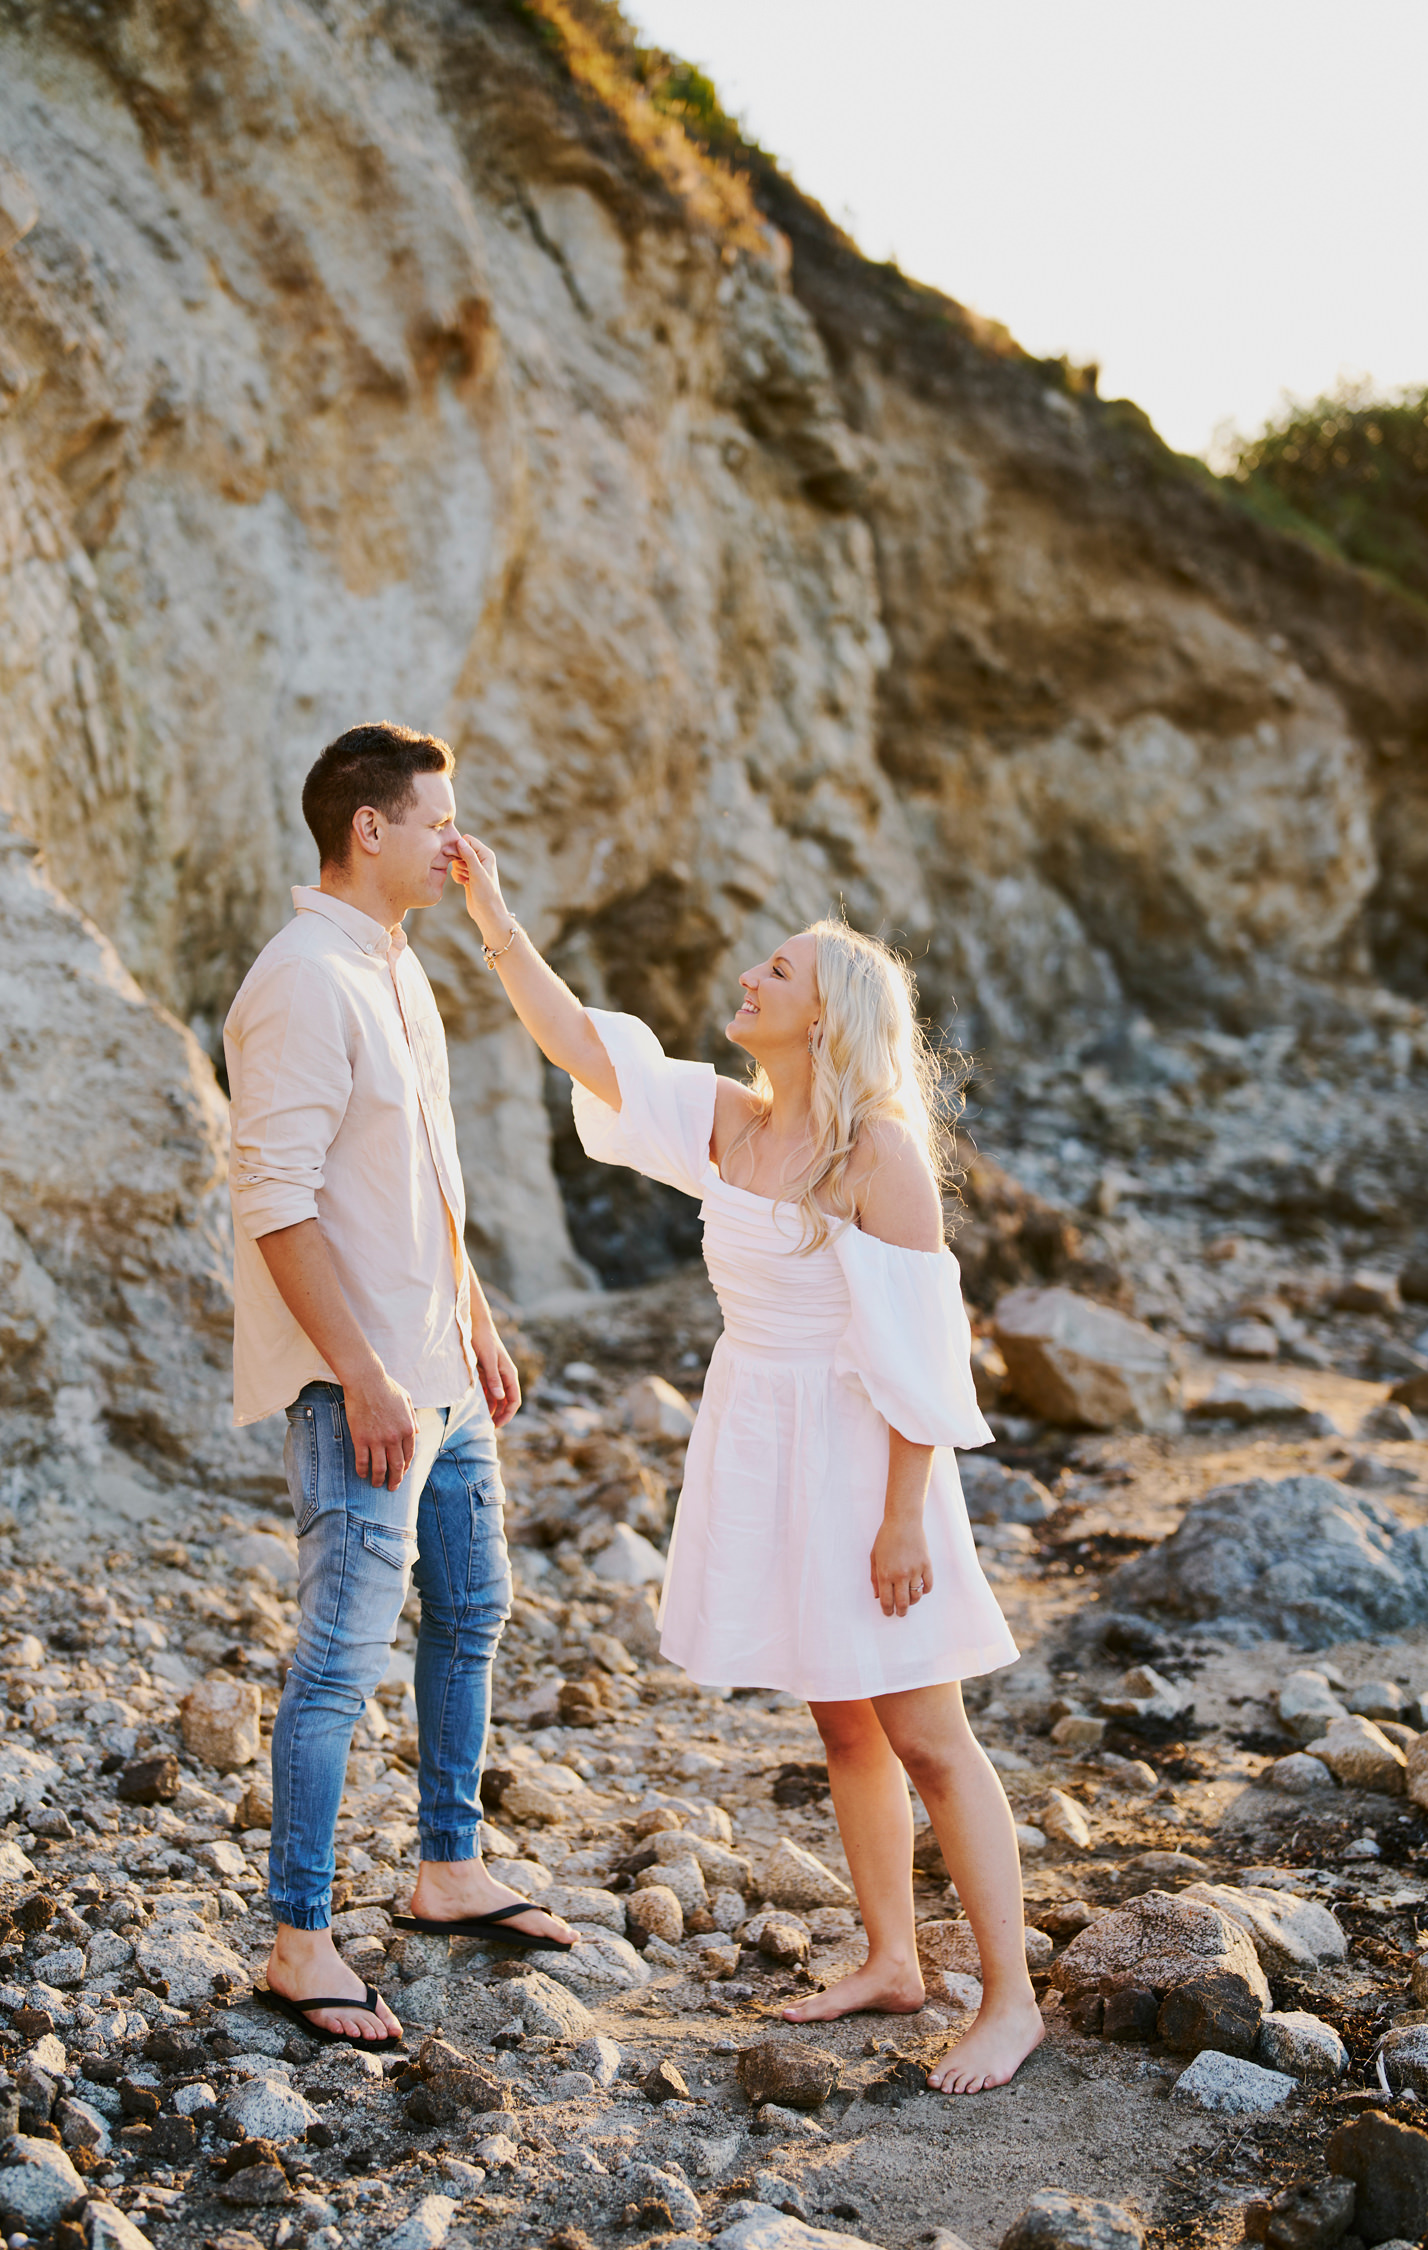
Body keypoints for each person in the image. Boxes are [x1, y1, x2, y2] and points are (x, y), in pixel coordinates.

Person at [449, 833, 1043, 2094]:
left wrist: (900, 1523)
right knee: (842, 1724)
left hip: (868, 1452)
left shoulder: (878, 1153)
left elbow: (920, 1357)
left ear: (831, 1015)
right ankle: (892, 1960)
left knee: (929, 1730)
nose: (752, 979)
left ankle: (1012, 1997)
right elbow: (583, 1046)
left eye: (781, 970)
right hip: (762, 1436)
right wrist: (492, 913)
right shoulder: (730, 1121)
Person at [223, 723, 578, 2047]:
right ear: (367, 827)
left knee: (473, 1605)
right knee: (338, 1657)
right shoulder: (303, 978)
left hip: (443, 1373)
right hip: (361, 1386)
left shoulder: (396, 965)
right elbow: (275, 1201)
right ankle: (299, 1939)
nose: (457, 841)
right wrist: (362, 1373)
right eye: (438, 819)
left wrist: (476, 1320)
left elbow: (422, 1183)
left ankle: (445, 1866)